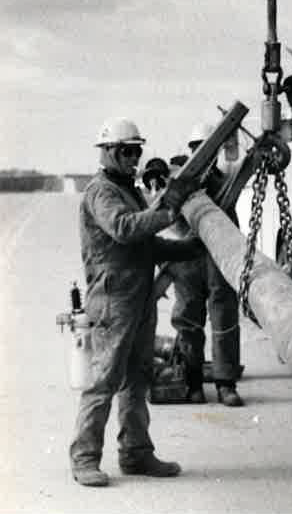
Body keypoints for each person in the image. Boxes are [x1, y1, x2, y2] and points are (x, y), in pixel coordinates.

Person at [70, 117, 202, 487]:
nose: (134, 159)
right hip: (113, 298)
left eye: (138, 151)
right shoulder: (102, 192)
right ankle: (84, 459)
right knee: (105, 379)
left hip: (138, 295)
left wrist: (187, 247)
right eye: (128, 152)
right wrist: (167, 214)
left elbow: (148, 244)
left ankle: (136, 453)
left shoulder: (128, 189)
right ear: (109, 152)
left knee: (138, 377)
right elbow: (126, 229)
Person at [169, 123, 244, 407]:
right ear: (191, 151)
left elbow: (243, 165)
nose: (203, 155)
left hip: (220, 255)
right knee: (188, 317)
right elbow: (167, 216)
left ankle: (226, 384)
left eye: (209, 148)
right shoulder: (178, 180)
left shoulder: (226, 177)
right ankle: (193, 383)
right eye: (198, 148)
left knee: (224, 314)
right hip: (187, 254)